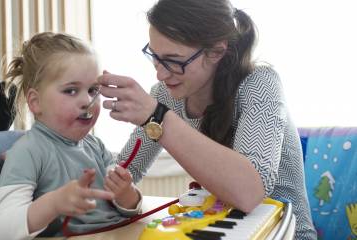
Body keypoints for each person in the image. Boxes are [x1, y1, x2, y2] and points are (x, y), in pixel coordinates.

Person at [97, 0, 317, 239]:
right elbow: (126, 171)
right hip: (221, 229)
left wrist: (158, 118)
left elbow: (249, 193)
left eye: (173, 60)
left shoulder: (259, 84)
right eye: (155, 57)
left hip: (283, 233)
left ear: (216, 52)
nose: (160, 73)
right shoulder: (165, 94)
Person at [0, 32, 142, 240]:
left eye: (92, 90)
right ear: (35, 102)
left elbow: (125, 208)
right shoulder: (27, 152)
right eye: (71, 91)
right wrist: (54, 203)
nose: (86, 101)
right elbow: (1, 231)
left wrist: (127, 194)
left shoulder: (96, 145)